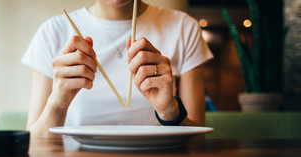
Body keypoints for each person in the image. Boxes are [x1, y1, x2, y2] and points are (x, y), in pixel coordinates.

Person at [22, 0, 213, 138]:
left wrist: (169, 110)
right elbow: (33, 143)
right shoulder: (53, 32)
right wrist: (57, 104)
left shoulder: (184, 28)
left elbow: (197, 141)